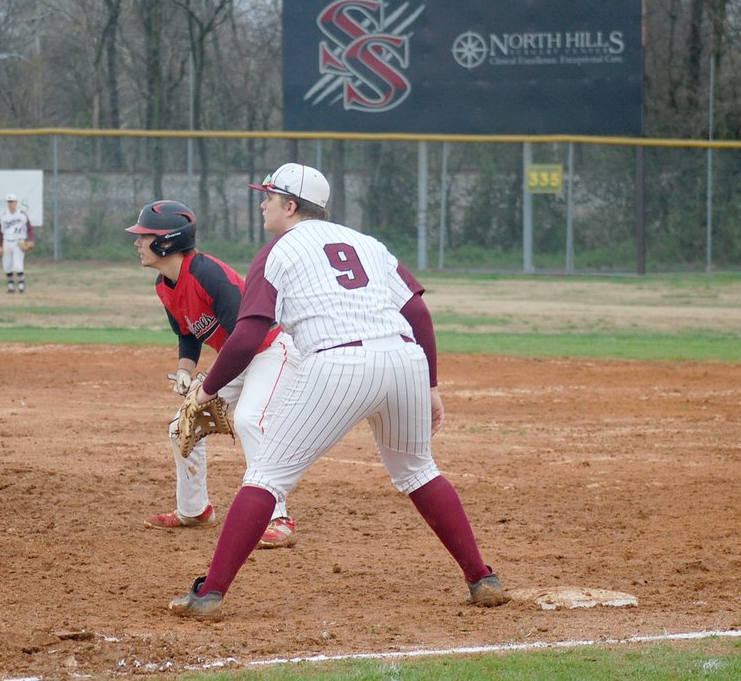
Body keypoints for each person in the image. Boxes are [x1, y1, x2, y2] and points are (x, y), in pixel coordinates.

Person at [168, 163, 510, 618]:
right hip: (404, 359)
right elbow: (420, 316)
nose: (263, 203)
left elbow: (248, 335)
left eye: (269, 196)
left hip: (339, 363)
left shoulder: (275, 252)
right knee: (419, 471)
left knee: (266, 477)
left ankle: (208, 593)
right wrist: (429, 385)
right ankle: (481, 578)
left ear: (291, 206)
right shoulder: (366, 243)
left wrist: (208, 390)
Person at [125, 200, 300, 549]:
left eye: (144, 236)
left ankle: (278, 517)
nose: (137, 243)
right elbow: (187, 334)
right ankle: (194, 510)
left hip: (271, 350)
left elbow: (246, 336)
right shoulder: (164, 284)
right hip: (238, 356)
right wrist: (185, 372)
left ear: (167, 242)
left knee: (251, 420)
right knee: (182, 426)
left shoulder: (208, 274)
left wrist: (209, 386)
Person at [0, 194, 34, 293]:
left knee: (18, 265)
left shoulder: (22, 215)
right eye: (9, 202)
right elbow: (0, 232)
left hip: (19, 242)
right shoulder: (4, 217)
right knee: (7, 265)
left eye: (12, 201)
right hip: (7, 242)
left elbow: (29, 229)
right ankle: (11, 286)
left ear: (16, 203)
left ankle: (21, 285)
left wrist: (31, 240)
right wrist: (0, 246)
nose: (10, 204)